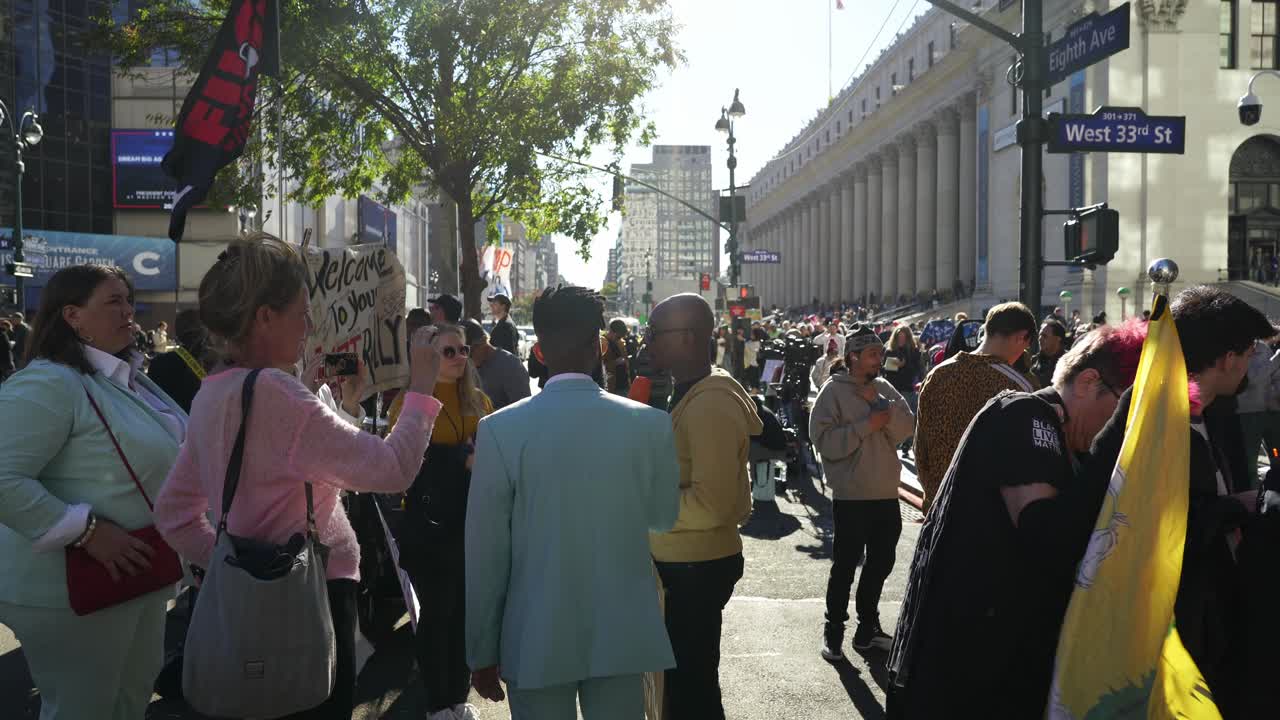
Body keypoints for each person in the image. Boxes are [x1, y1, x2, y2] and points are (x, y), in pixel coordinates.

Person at [153, 234, 445, 720]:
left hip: (249, 600)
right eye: (301, 313)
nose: (310, 326)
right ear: (264, 317)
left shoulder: (213, 392)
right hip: (310, 590)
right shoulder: (278, 395)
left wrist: (233, 562)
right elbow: (394, 470)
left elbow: (174, 514)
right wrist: (421, 387)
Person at [886, 322, 1147, 719]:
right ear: (1088, 381)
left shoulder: (1052, 430)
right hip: (969, 674)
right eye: (1120, 413)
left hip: (997, 662)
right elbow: (1047, 534)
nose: (1121, 430)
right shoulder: (1026, 415)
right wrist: (1111, 444)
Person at [466, 285, 680, 719]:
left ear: (539, 351)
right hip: (622, 629)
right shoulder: (652, 426)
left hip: (535, 633)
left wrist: (481, 650)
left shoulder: (499, 431)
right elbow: (663, 518)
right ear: (599, 346)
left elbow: (486, 554)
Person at [0, 264, 189, 720]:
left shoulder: (124, 375)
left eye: (129, 299)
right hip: (69, 585)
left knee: (129, 698)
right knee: (83, 709)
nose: (129, 311)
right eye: (113, 301)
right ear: (72, 315)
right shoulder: (49, 381)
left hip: (137, 572)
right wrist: (84, 531)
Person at [645, 293, 763, 720]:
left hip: (695, 569)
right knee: (685, 685)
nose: (647, 343)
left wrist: (643, 506)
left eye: (655, 334)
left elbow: (711, 505)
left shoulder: (710, 403)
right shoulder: (689, 392)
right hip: (686, 564)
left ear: (689, 338)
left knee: (691, 690)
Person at [1164, 286, 1279, 716]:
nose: (1253, 364)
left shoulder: (1214, 413)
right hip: (1184, 633)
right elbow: (1165, 524)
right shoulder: (1160, 421)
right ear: (1228, 358)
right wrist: (1242, 506)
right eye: (1250, 352)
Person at [388, 324, 494, 720]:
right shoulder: (411, 402)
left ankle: (457, 695)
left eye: (463, 349)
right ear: (429, 358)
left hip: (471, 523)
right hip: (429, 526)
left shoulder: (479, 401)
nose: (459, 357)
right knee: (437, 614)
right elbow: (401, 462)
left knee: (465, 613)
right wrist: (462, 460)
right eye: (449, 351)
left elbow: (492, 457)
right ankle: (437, 702)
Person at [810, 326, 915, 660]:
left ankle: (867, 628)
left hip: (886, 494)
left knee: (881, 562)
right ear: (853, 356)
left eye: (879, 354)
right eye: (872, 354)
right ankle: (834, 631)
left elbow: (906, 429)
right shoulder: (832, 392)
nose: (878, 360)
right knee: (844, 565)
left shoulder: (882, 388)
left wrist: (880, 407)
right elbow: (823, 441)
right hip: (851, 496)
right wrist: (864, 426)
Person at [915, 302, 1037, 509]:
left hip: (940, 507)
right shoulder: (1018, 386)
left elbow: (921, 446)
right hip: (989, 513)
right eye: (1026, 345)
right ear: (1021, 337)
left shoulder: (938, 374)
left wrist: (932, 498)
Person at [147, 309, 214, 414]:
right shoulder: (214, 364)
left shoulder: (158, 363)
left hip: (166, 426)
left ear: (178, 333)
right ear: (205, 332)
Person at [1235, 338, 1280, 488]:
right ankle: (1254, 494)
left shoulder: (1263, 348)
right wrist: (1276, 360)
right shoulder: (1238, 348)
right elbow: (1250, 379)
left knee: (1276, 453)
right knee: (1250, 460)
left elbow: (1274, 377)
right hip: (1248, 413)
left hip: (1271, 412)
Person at [462, 318, 531, 411]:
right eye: (462, 352)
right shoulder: (464, 366)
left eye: (469, 352)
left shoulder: (510, 365)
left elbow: (522, 409)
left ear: (483, 342)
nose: (466, 358)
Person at [882, 325, 923, 457]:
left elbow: (918, 369)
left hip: (909, 388)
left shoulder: (913, 351)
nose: (901, 340)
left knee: (910, 417)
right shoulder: (890, 351)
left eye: (904, 338)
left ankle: (907, 443)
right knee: (895, 418)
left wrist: (905, 366)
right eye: (899, 337)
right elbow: (886, 371)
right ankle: (896, 442)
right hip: (894, 389)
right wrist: (896, 366)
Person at [1032, 318, 1068, 389]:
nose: (1040, 338)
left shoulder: (1069, 362)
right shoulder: (1033, 361)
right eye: (1040, 335)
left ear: (1058, 339)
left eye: (1044, 336)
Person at [603, 318, 632, 395]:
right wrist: (615, 363)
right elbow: (601, 365)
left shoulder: (620, 343)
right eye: (618, 337)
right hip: (611, 387)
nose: (619, 339)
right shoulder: (603, 343)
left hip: (624, 386)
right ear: (612, 332)